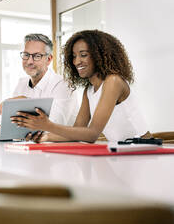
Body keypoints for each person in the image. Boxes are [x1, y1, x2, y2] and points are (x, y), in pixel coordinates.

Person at [11, 30, 150, 143]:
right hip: (124, 150)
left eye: (83, 55)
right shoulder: (88, 91)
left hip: (145, 148)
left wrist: (47, 125)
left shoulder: (113, 81)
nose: (77, 61)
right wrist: (46, 137)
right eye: (74, 56)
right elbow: (78, 131)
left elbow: (92, 134)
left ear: (99, 56)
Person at [0, 33, 78, 140]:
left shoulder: (64, 85)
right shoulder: (21, 84)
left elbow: (53, 127)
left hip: (60, 151)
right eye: (26, 55)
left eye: (37, 56)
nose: (30, 61)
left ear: (48, 59)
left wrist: (25, 101)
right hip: (29, 151)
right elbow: (14, 127)